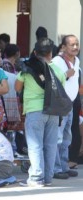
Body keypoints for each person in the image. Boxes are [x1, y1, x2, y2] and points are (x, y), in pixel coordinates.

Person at [15, 38, 65, 187]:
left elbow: (17, 88)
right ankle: (48, 178)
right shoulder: (58, 70)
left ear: (35, 53)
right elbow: (60, 91)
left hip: (35, 110)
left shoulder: (27, 68)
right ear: (51, 54)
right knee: (50, 145)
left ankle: (36, 178)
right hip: (53, 111)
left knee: (35, 144)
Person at [52, 35, 80, 179]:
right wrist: (65, 75)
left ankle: (64, 166)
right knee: (57, 137)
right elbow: (51, 80)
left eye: (77, 44)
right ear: (63, 47)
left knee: (66, 138)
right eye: (72, 45)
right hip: (60, 104)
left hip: (71, 104)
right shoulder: (57, 61)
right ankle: (56, 169)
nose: (75, 47)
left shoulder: (77, 60)